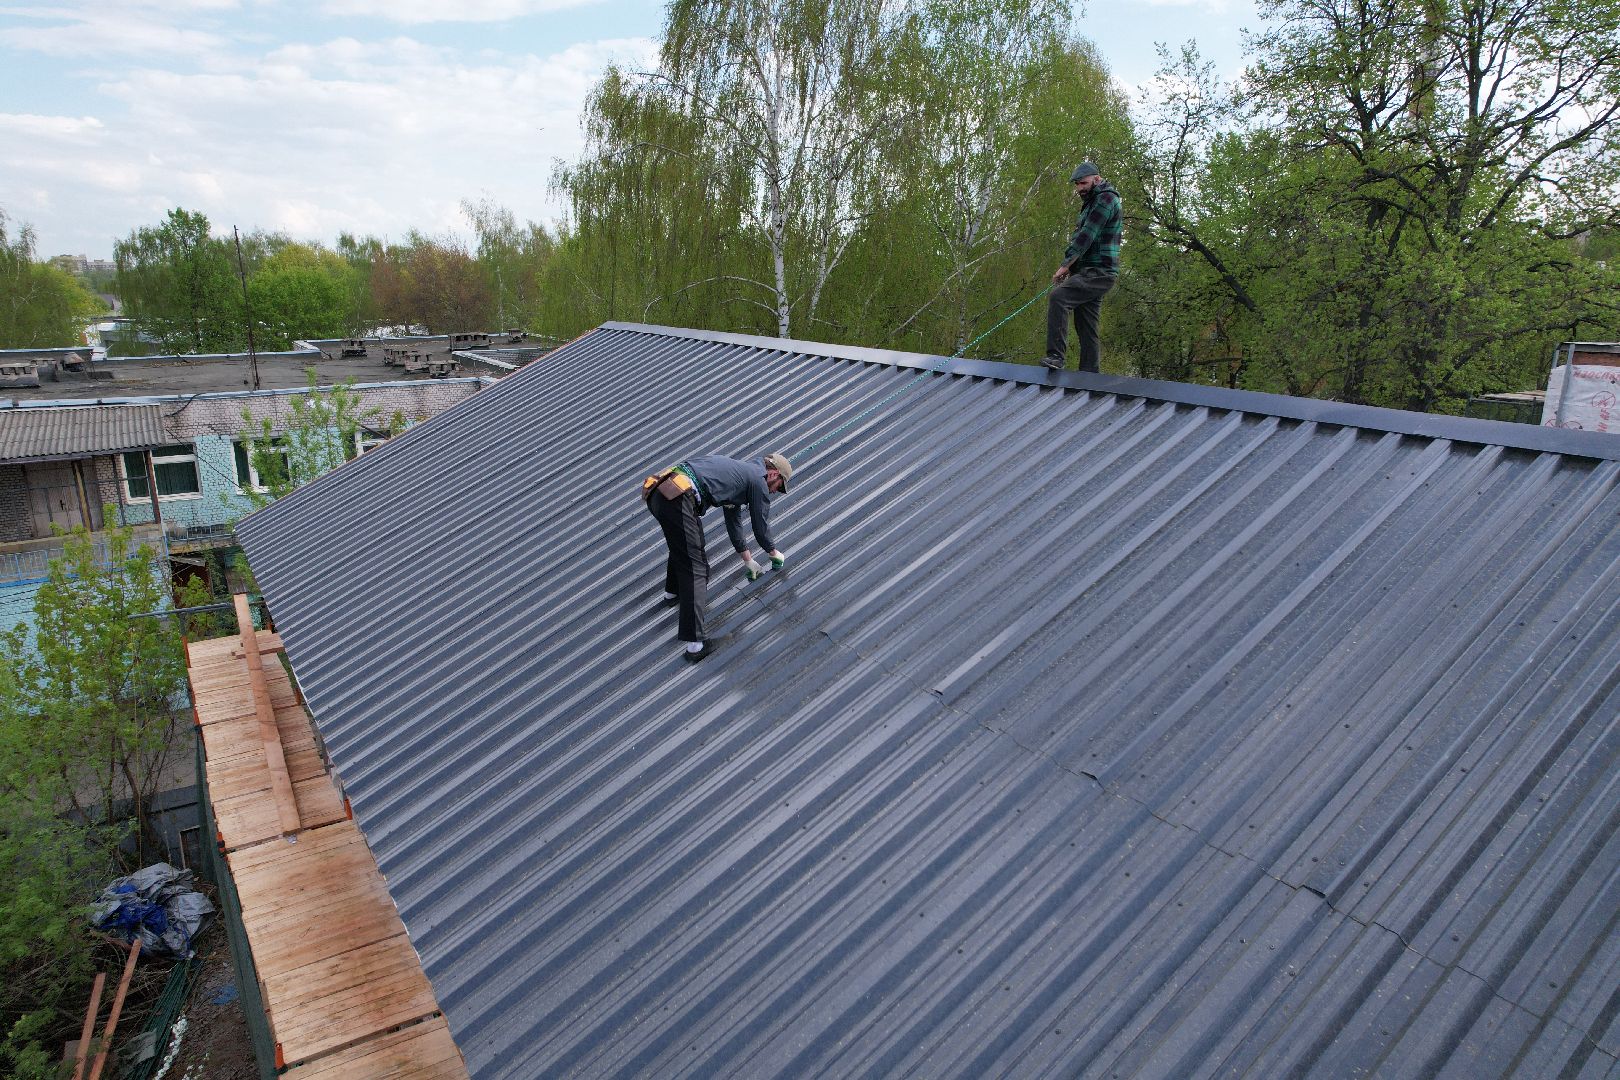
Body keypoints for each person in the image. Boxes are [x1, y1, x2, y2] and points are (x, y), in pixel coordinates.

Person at [642, 451, 793, 662]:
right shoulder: (757, 481)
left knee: (687, 548)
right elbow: (760, 525)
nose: (775, 492)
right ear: (773, 474)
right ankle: (696, 646)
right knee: (697, 568)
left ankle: (672, 594)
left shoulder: (740, 475)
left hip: (662, 491)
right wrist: (774, 552)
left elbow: (734, 521)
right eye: (779, 486)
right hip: (678, 497)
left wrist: (748, 560)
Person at [1043, 161, 1122, 373]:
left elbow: (1088, 234)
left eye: (1083, 183)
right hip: (1088, 271)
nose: (1080, 188)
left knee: (1059, 298)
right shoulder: (1091, 201)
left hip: (1099, 271)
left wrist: (1065, 264)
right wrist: (1072, 267)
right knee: (1087, 326)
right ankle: (1090, 375)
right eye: (1077, 184)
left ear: (1097, 179)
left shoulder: (1106, 199)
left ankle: (1055, 357)